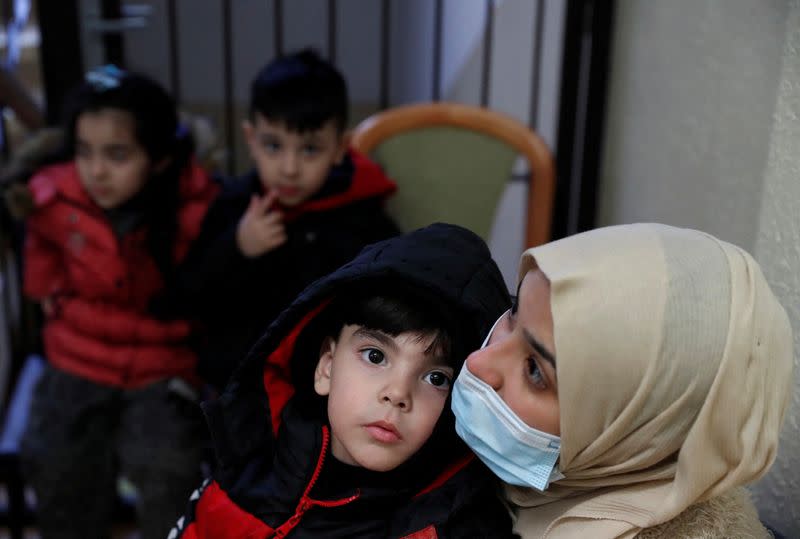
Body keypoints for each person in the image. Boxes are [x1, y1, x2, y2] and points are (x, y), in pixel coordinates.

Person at [170, 223, 516, 538]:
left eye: (436, 377)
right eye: (375, 356)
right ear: (326, 366)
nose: (397, 394)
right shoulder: (248, 464)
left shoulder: (456, 529)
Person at [451, 223, 794, 538]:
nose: (479, 361)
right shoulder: (547, 485)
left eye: (535, 371)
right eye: (513, 313)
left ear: (640, 428)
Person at [20, 65, 218, 539]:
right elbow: (41, 240)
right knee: (56, 464)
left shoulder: (196, 205)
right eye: (85, 152)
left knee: (169, 469)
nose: (96, 171)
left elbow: (213, 280)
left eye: (117, 154)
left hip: (162, 363)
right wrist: (44, 286)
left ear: (159, 158)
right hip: (77, 355)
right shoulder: (56, 194)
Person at [160, 48, 399, 389]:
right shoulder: (234, 204)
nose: (289, 168)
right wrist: (237, 246)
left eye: (310, 149)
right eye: (273, 146)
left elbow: (385, 297)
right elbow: (189, 296)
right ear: (250, 139)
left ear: (339, 148)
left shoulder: (360, 211)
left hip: (321, 385)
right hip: (237, 383)